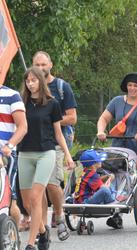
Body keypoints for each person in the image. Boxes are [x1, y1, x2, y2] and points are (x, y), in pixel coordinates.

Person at [18, 67, 74, 250]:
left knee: (35, 198)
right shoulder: (21, 103)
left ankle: (30, 244)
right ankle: (43, 232)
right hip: (24, 153)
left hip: (46, 153)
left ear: (41, 82)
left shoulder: (52, 103)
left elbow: (58, 134)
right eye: (28, 81)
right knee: (26, 203)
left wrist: (67, 155)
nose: (30, 83)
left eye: (34, 80)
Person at [97, 72, 137, 228]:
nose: (132, 88)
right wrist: (101, 131)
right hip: (120, 146)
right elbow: (104, 118)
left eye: (136, 86)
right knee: (118, 178)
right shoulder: (117, 101)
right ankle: (117, 214)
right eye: (130, 85)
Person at [32, 51, 77, 240]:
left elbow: (72, 118)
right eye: (37, 65)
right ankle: (42, 226)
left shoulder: (61, 87)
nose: (41, 68)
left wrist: (50, 120)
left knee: (51, 183)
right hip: (35, 143)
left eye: (44, 65)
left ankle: (59, 216)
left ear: (50, 64)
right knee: (38, 186)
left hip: (57, 142)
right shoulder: (31, 87)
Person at [0, 77, 27, 230]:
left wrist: (9, 146)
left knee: (10, 200)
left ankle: (13, 236)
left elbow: (23, 127)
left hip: (5, 156)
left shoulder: (12, 95)